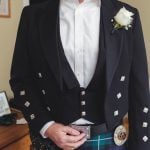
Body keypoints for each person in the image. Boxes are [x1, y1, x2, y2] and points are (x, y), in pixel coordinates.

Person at [10, 0, 150, 149]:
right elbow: (22, 79)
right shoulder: (32, 16)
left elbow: (139, 87)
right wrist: (46, 126)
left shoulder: (128, 14)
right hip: (52, 141)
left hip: (110, 139)